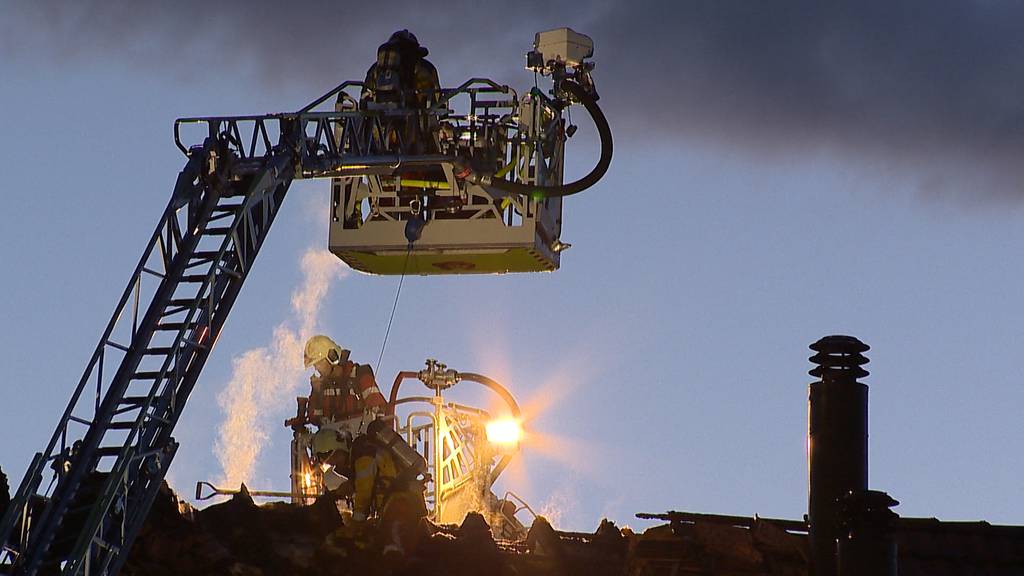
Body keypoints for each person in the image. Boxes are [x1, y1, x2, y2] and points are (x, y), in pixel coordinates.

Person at [362, 30, 441, 155]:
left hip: (378, 127)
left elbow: (365, 97)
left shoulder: (376, 68)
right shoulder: (424, 67)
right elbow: (434, 98)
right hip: (415, 130)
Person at [297, 335, 387, 429]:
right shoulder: (321, 387)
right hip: (333, 441)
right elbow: (315, 418)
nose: (316, 368)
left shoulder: (359, 375)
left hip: (363, 438)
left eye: (319, 363)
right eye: (315, 365)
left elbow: (379, 407)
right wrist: (317, 394)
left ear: (332, 357)